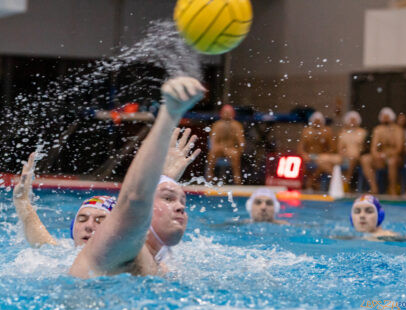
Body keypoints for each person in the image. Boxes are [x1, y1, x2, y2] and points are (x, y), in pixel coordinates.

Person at [13, 76, 206, 278]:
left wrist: (164, 182)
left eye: (99, 220)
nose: (89, 226)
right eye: (82, 219)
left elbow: (139, 221)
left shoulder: (141, 251)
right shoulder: (86, 254)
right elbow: (134, 204)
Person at [360, 107, 405, 195]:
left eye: (387, 116)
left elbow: (399, 149)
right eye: (383, 117)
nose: (385, 119)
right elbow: (373, 147)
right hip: (381, 158)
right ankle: (374, 187)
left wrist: (386, 155)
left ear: (392, 117)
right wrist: (376, 155)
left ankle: (392, 189)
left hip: (394, 158)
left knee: (392, 161)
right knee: (364, 159)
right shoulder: (378, 129)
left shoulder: (398, 130)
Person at [297, 111, 340, 190]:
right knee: (307, 164)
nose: (317, 124)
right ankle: (338, 179)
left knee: (322, 162)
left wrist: (324, 155)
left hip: (322, 157)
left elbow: (332, 148)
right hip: (309, 156)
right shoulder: (306, 131)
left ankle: (311, 182)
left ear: (322, 122)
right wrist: (304, 154)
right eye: (315, 122)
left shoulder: (327, 131)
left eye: (319, 122)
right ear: (312, 122)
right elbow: (300, 147)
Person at [206, 104, 245, 185]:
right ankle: (209, 175)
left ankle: (237, 178)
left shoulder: (237, 125)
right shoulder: (217, 125)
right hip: (219, 148)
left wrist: (240, 150)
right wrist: (216, 148)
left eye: (229, 112)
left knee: (234, 154)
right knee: (213, 152)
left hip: (231, 148)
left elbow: (241, 141)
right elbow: (213, 140)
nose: (227, 114)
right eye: (225, 112)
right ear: (221, 113)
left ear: (233, 114)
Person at [337, 111, 367, 190]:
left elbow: (363, 148)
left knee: (353, 157)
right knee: (324, 160)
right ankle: (340, 179)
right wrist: (343, 153)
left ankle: (347, 180)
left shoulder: (362, 132)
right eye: (351, 120)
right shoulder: (343, 132)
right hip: (344, 156)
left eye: (354, 120)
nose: (352, 122)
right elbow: (340, 148)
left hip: (356, 157)